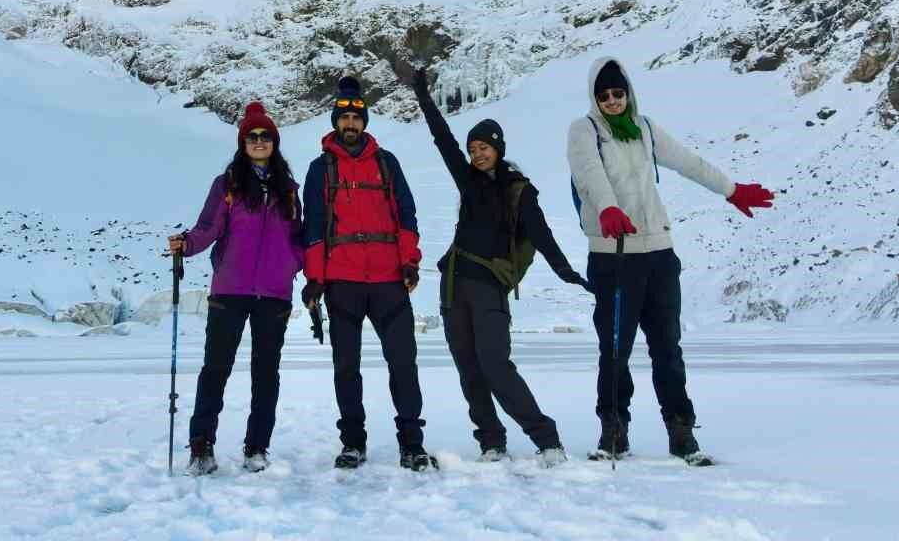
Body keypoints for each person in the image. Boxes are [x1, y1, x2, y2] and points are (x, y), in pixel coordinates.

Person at [567, 56, 775, 466]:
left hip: (659, 254)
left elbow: (687, 161)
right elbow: (589, 174)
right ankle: (614, 431)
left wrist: (731, 190)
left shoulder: (643, 128)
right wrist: (608, 209)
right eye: (604, 95)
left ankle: (681, 432)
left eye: (618, 93)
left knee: (667, 349)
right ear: (595, 97)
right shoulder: (584, 131)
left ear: (628, 93)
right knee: (614, 349)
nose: (612, 101)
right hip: (614, 256)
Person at [411, 67, 590, 467]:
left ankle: (547, 439)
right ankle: (491, 441)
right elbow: (442, 139)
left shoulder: (518, 191)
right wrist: (422, 94)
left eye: (484, 147)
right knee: (469, 369)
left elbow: (541, 236)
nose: (477, 154)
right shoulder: (468, 181)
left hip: (489, 288)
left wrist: (567, 272)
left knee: (495, 365)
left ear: (499, 147)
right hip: (454, 286)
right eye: (473, 148)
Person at [301, 75, 435, 471]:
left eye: (357, 118)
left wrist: (409, 260)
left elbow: (406, 215)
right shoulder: (320, 169)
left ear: (365, 122)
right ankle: (353, 442)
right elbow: (313, 228)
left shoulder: (386, 163)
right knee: (346, 366)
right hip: (342, 283)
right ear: (335, 122)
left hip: (389, 280)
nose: (350, 126)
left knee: (403, 363)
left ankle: (412, 442)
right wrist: (314, 278)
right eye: (344, 118)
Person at [169, 101, 303, 475]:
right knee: (216, 368)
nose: (259, 142)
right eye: (252, 137)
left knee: (266, 372)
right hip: (230, 288)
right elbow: (208, 228)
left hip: (274, 294)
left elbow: (298, 238)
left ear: (274, 143)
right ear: (243, 143)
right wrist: (187, 243)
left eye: (265, 137)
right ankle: (201, 446)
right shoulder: (226, 185)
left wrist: (293, 264)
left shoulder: (289, 189)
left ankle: (257, 446)